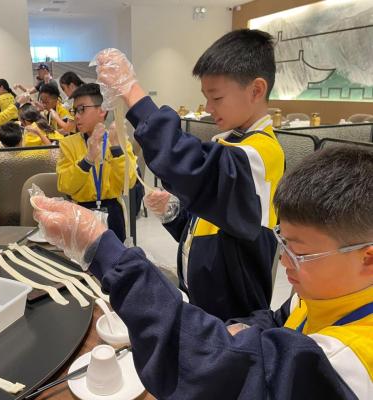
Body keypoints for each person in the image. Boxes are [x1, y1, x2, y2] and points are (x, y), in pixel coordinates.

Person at [33, 146, 373, 399]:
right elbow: (282, 319)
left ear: (367, 258)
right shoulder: (326, 291)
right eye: (282, 243)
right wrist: (245, 327)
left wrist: (103, 250)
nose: (284, 261)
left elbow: (219, 375)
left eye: (300, 253)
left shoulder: (351, 361)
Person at [94, 30, 285, 321]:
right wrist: (174, 214)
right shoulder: (230, 143)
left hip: (234, 315)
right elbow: (210, 224)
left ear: (257, 90)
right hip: (203, 300)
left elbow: (193, 169)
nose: (208, 108)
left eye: (217, 97)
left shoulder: (263, 154)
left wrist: (132, 92)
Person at [56, 83, 137, 242]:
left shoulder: (118, 140)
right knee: (82, 256)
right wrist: (87, 160)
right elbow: (65, 185)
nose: (76, 116)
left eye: (82, 109)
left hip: (113, 212)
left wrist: (116, 149)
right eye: (74, 111)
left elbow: (129, 182)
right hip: (81, 210)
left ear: (102, 110)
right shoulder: (68, 144)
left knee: (114, 255)